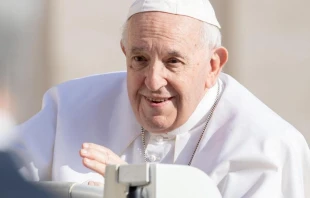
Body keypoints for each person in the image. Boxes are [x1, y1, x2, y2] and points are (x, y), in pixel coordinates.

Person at [9, 0, 310, 197]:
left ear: (213, 65)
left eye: (173, 61)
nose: (153, 81)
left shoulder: (267, 145)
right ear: (125, 54)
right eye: (140, 58)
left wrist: (144, 188)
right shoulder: (70, 108)